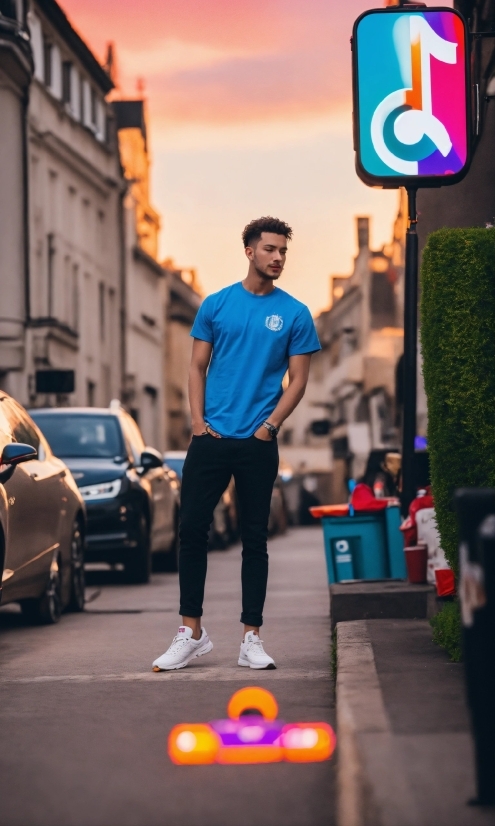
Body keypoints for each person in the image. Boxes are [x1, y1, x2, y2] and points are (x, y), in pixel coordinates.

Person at [152, 217, 321, 672]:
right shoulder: (217, 305)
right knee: (191, 532)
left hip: (257, 442)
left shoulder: (295, 313)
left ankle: (252, 637)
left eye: (283, 251)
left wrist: (271, 425)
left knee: (254, 539)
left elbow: (299, 379)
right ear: (249, 251)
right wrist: (197, 422)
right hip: (211, 438)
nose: (278, 258)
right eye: (270, 249)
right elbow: (196, 366)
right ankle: (191, 632)